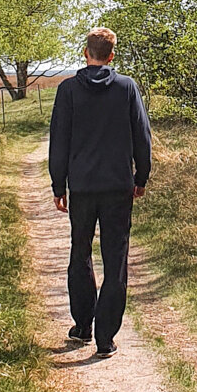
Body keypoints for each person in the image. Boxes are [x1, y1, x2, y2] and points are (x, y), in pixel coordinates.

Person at [47, 27, 151, 358]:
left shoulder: (68, 91)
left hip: (82, 187)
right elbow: (142, 135)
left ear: (85, 53)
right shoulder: (127, 88)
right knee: (115, 258)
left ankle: (83, 325)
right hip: (118, 186)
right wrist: (141, 176)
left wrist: (57, 183)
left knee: (80, 254)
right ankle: (106, 337)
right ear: (111, 55)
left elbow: (58, 140)